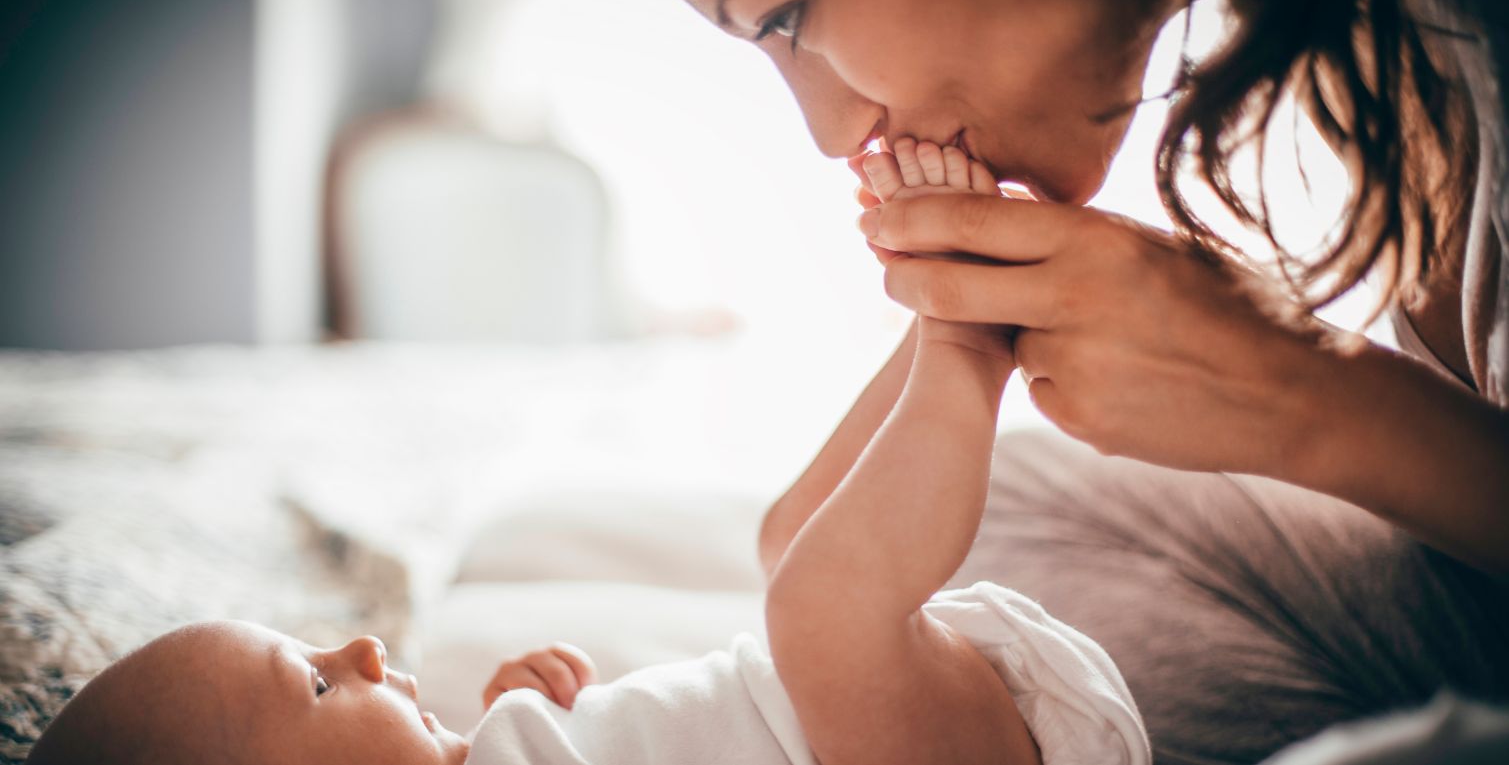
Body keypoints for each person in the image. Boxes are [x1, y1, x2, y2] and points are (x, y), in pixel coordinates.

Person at [611, 0, 1509, 762]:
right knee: (858, 540)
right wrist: (960, 340)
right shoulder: (1381, 5)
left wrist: (1303, 394)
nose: (832, 130)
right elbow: (800, 549)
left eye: (787, 15)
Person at [26, 145, 1150, 763]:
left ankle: (934, 320)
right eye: (313, 683)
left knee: (785, 541)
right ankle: (964, 335)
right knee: (821, 605)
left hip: (877, 715)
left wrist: (543, 709)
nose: (365, 648)